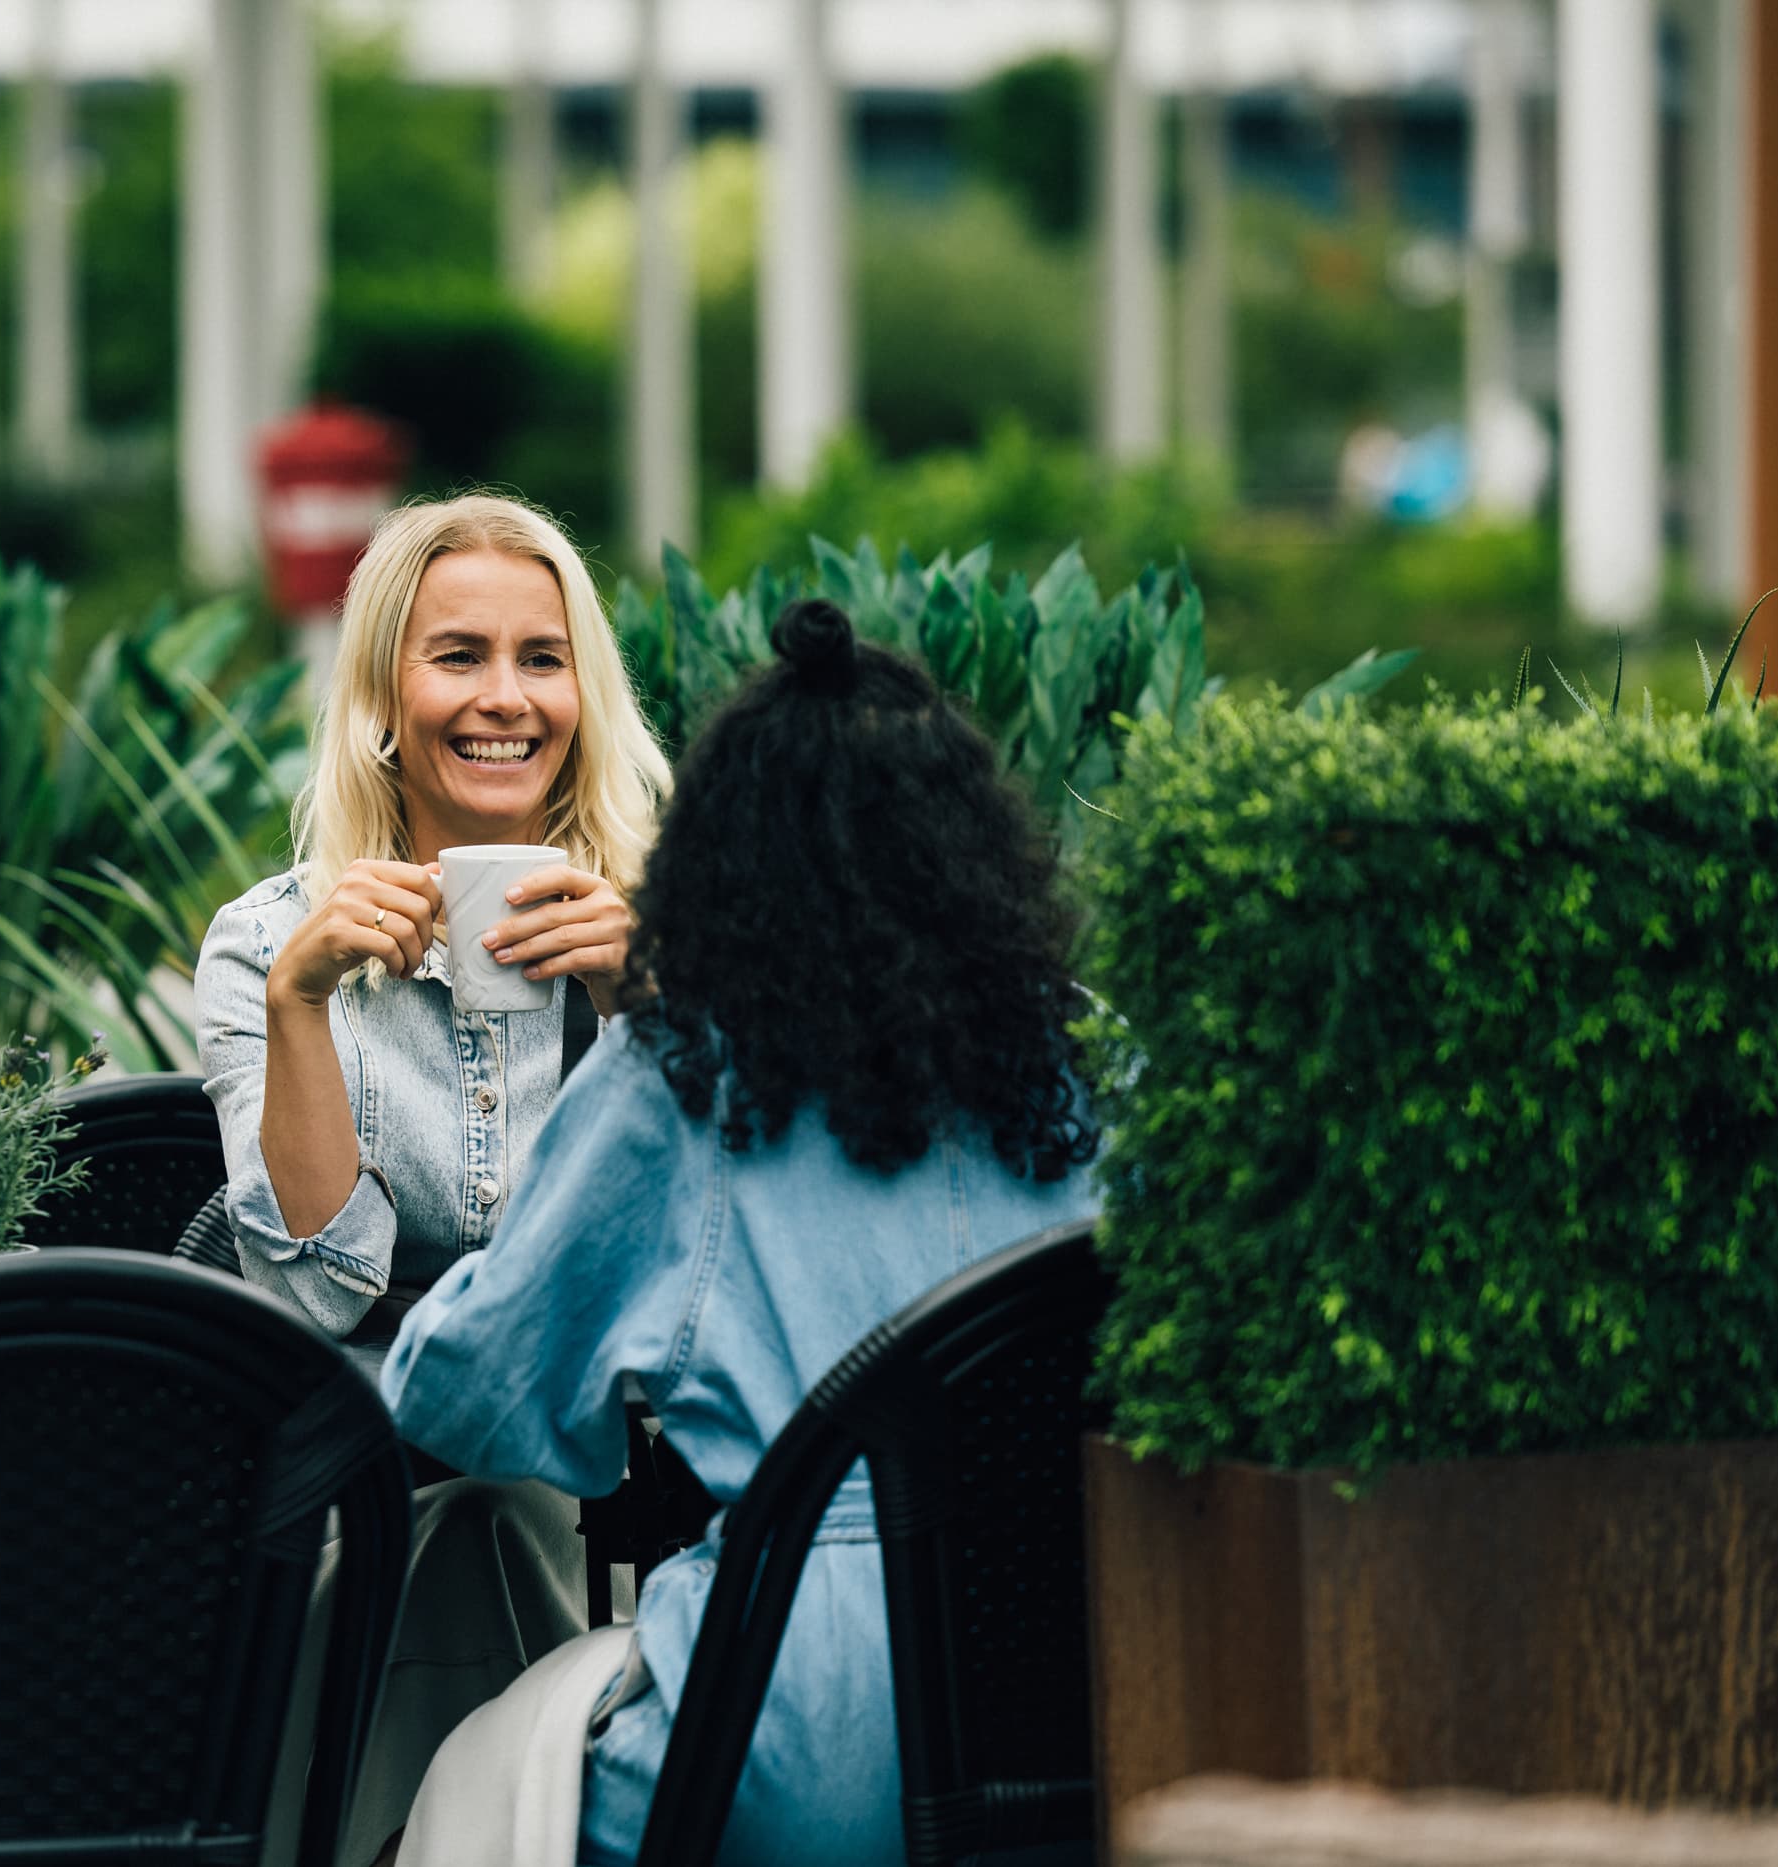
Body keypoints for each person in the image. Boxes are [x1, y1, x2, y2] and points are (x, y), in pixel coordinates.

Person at [379, 598, 1105, 1866]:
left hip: (791, 1727)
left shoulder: (689, 1084)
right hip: (1084, 1692)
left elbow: (468, 1396)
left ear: (719, 865)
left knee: (464, 1796)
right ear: (977, 855)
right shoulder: (1091, 1069)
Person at [191, 492, 671, 1867]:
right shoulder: (270, 939)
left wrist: (652, 1008)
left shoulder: (661, 926)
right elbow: (310, 1280)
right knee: (460, 1519)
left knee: (502, 1508)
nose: (505, 698)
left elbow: (703, 1257)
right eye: (458, 655)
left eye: (542, 655)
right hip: (359, 1466)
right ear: (386, 695)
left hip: (604, 1470)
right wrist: (301, 1004)